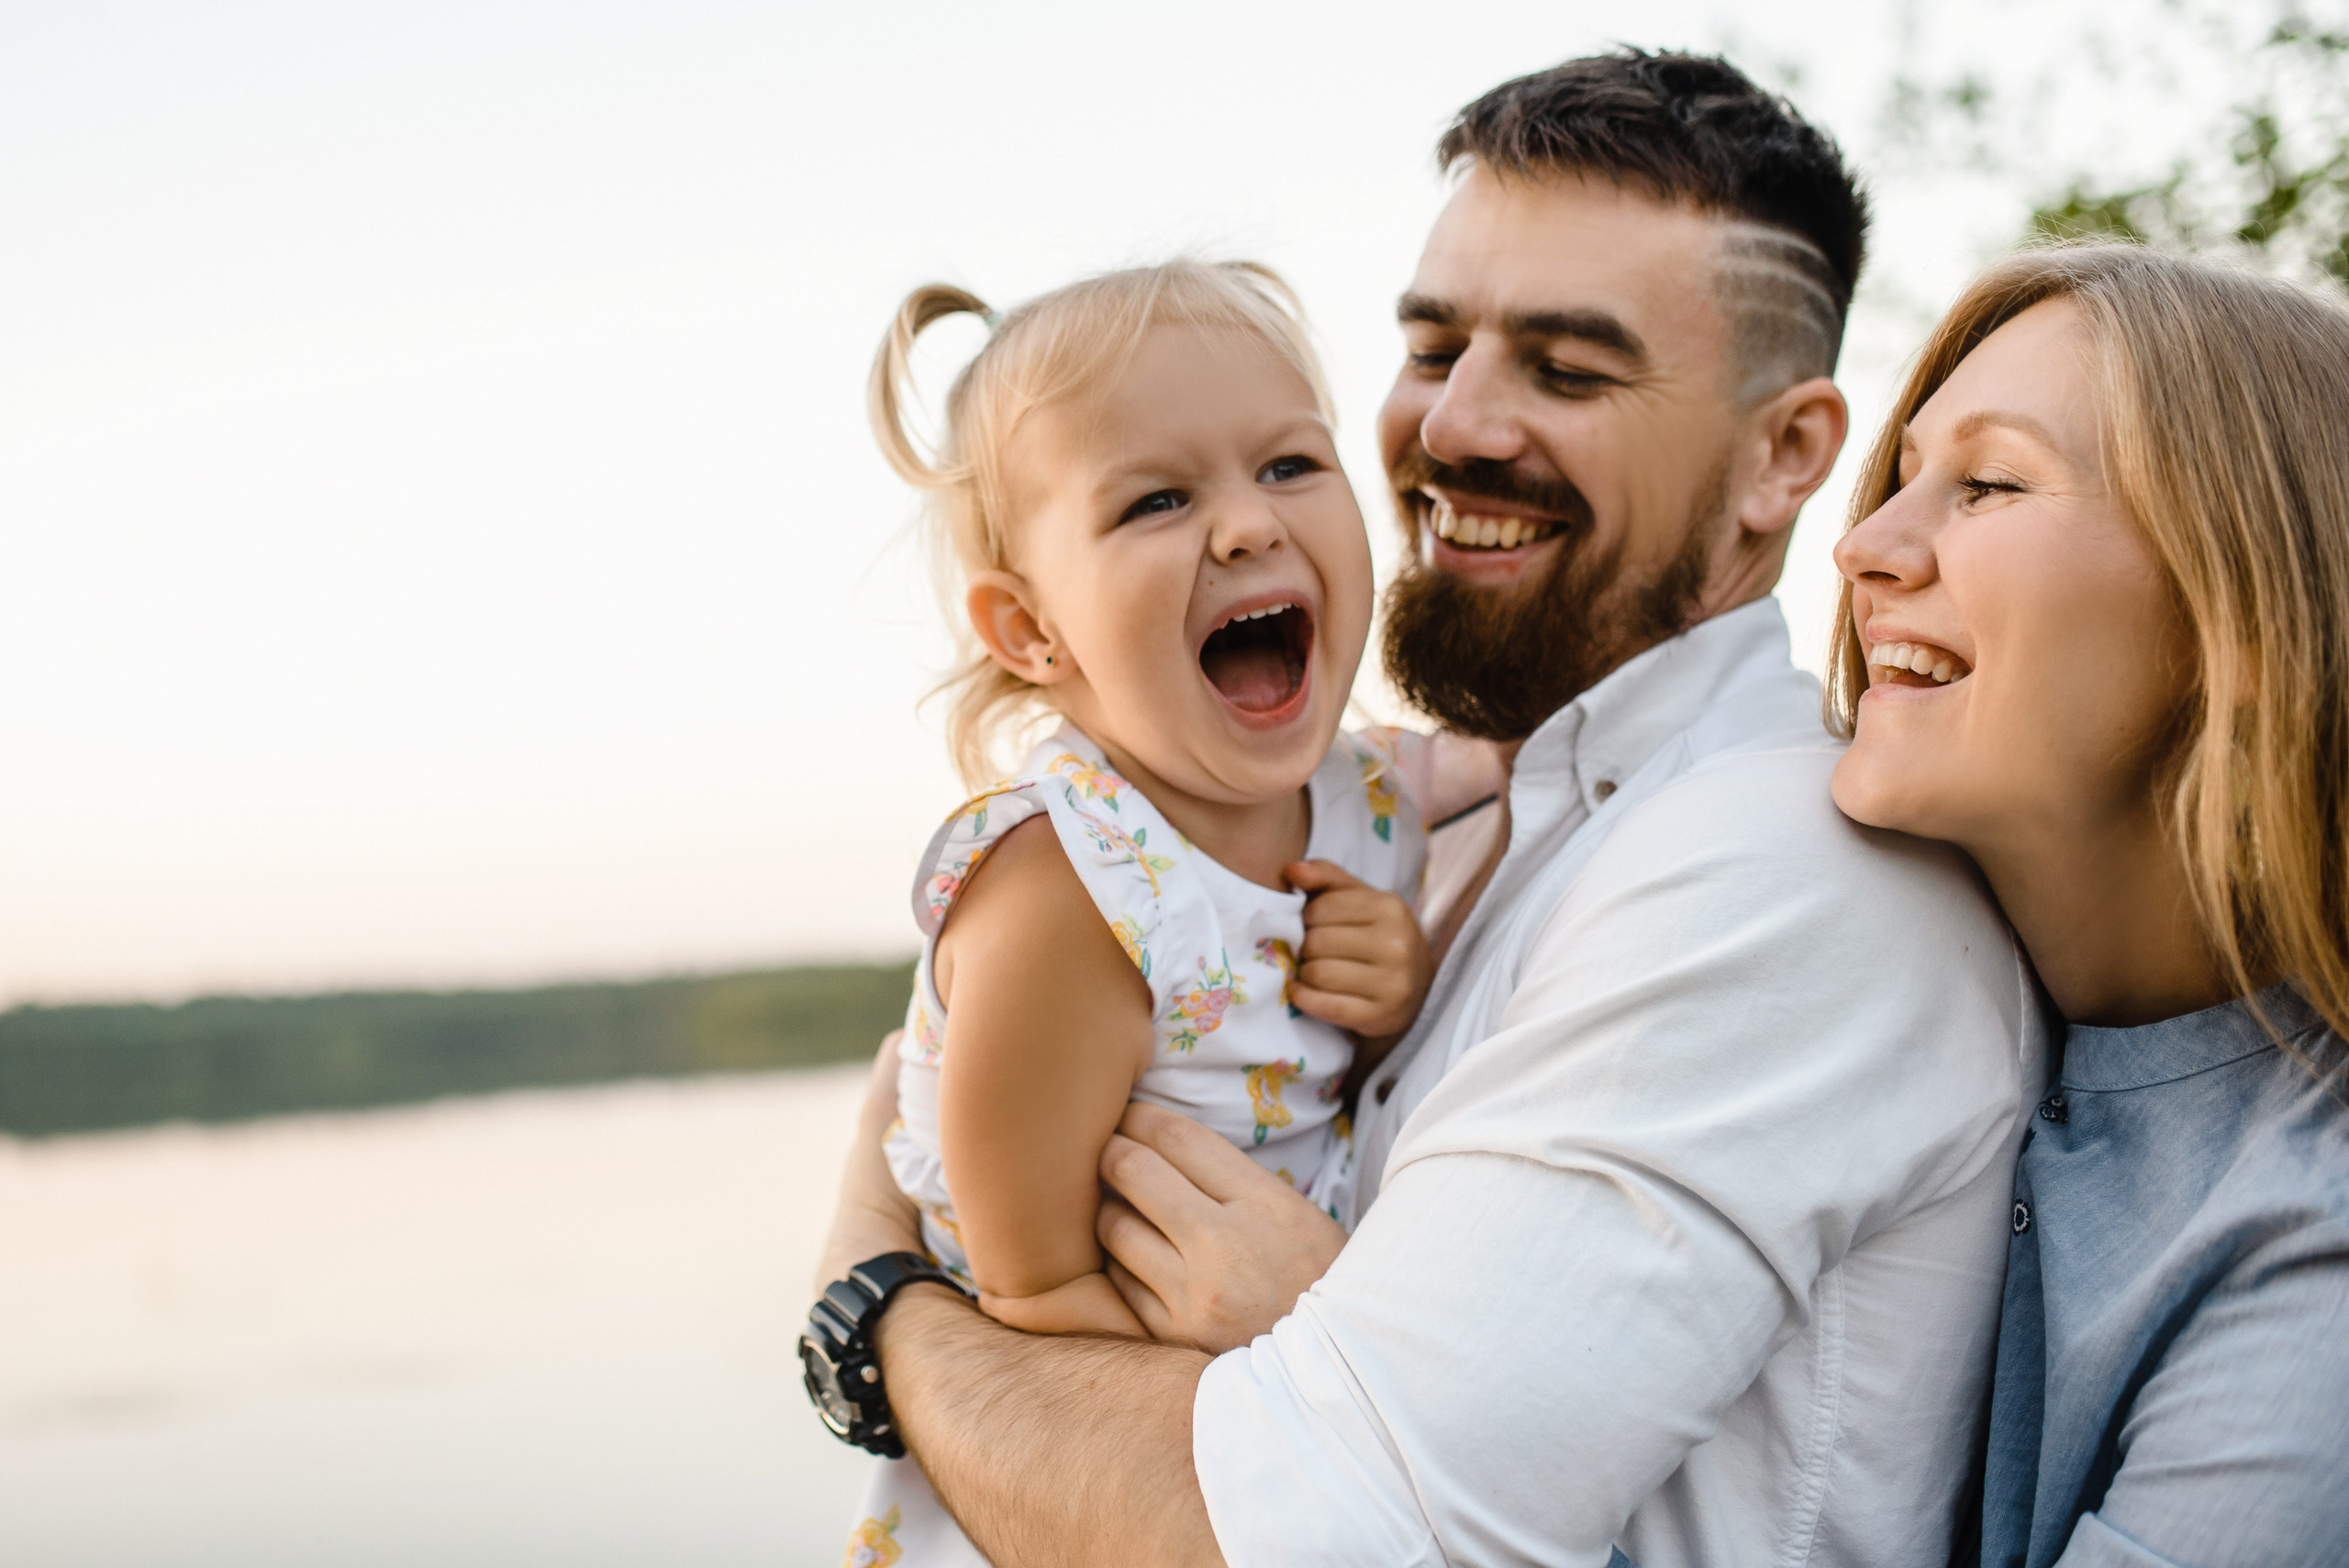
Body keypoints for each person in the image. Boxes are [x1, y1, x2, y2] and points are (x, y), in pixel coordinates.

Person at [814, 51, 2043, 1564]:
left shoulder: (1783, 875)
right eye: (1431, 345)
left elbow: (1330, 1534)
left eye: (1567, 368)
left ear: (1783, 455)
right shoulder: (1453, 824)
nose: (1451, 426)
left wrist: (885, 1314)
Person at [840, 261, 1499, 1563]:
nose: (1249, 524)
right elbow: (1032, 1292)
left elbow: (1321, 1074)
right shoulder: (1064, 894)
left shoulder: (1369, 801)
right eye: (1157, 498)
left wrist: (1394, 989)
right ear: (1030, 630)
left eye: (1291, 465)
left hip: (1268, 1407)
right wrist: (1274, 1376)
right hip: (1076, 1469)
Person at [1824, 243, 2349, 1566]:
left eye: (1989, 484)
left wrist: (1365, 1414)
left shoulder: (2318, 1236)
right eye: (1902, 480)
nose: (1863, 545)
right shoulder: (1844, 971)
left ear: (2241, 603)